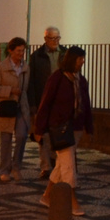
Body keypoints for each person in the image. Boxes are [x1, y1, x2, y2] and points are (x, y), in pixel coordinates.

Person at [33, 46, 94, 217]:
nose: (82, 62)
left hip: (76, 128)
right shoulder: (57, 78)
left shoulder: (81, 80)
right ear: (71, 59)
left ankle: (47, 196)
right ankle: (72, 200)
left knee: (61, 165)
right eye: (79, 59)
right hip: (60, 128)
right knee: (68, 166)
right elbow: (45, 103)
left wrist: (89, 127)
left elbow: (86, 105)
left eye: (83, 59)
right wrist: (39, 129)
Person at [0, 36, 29, 182]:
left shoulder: (26, 67)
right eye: (18, 51)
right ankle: (4, 170)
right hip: (6, 106)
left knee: (22, 136)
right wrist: (10, 90)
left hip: (21, 107)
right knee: (6, 139)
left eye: (23, 51)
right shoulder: (1, 67)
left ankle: (16, 167)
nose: (20, 54)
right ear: (10, 51)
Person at [27, 26, 63, 178]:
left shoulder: (65, 54)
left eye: (57, 38)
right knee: (42, 134)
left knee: (59, 133)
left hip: (61, 101)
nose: (55, 41)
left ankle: (57, 162)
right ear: (45, 39)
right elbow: (32, 82)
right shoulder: (37, 56)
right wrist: (33, 104)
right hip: (43, 100)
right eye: (52, 38)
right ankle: (45, 166)